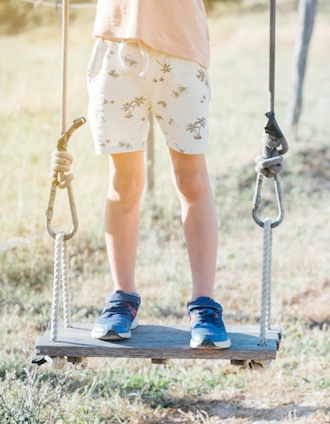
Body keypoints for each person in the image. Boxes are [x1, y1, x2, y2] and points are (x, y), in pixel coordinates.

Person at [86, 0, 230, 349]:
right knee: (124, 182)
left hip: (181, 48)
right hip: (116, 46)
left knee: (191, 179)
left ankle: (205, 307)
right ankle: (123, 298)